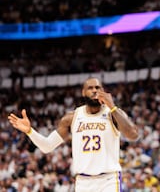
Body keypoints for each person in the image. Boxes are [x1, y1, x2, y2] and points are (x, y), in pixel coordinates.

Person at [8, 77, 139, 192]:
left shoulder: (114, 114)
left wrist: (113, 106)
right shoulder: (72, 117)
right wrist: (30, 131)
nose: (94, 90)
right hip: (83, 181)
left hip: (108, 180)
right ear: (83, 92)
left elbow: (133, 135)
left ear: (103, 91)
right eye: (90, 88)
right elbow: (47, 146)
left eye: (98, 88)